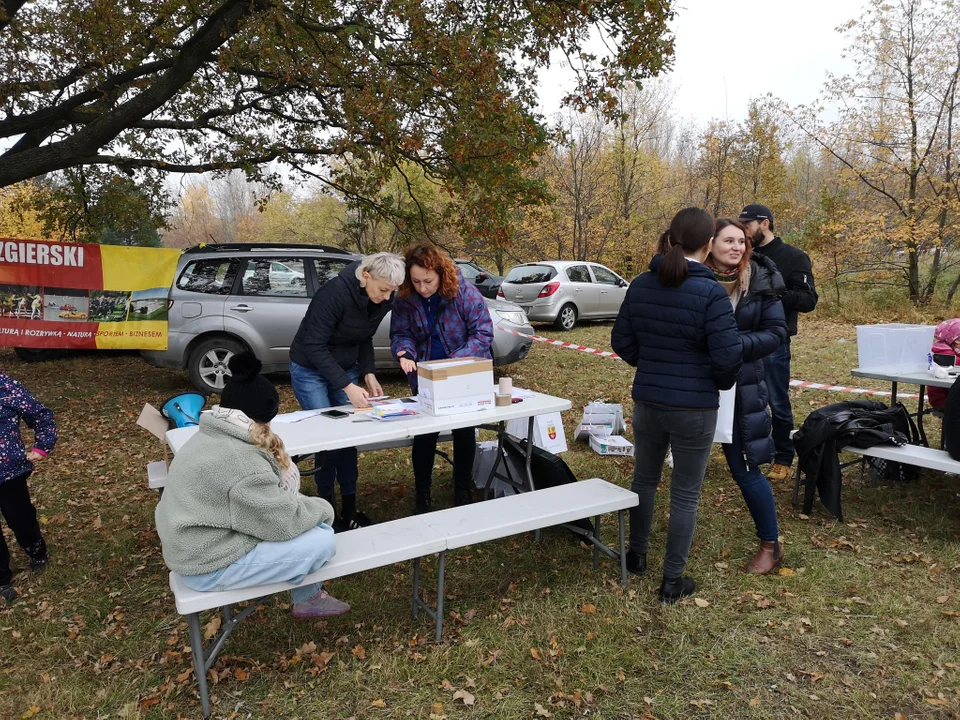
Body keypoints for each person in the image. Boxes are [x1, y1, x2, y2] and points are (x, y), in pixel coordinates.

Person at [611, 207, 742, 603]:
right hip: (694, 408)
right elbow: (727, 357)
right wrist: (712, 383)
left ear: (671, 238)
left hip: (649, 400)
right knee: (685, 493)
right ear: (708, 245)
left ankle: (636, 556)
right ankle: (672, 580)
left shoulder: (641, 284)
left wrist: (650, 364)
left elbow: (622, 341)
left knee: (645, 480)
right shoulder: (711, 293)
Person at [155, 352, 349, 618]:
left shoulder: (210, 434)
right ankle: (308, 598)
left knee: (299, 520)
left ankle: (308, 595)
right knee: (322, 539)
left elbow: (268, 510)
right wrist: (324, 510)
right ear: (266, 416)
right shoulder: (242, 461)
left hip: (193, 546)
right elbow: (283, 523)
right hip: (207, 565)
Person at [288, 252, 405, 529]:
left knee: (348, 436)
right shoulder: (333, 295)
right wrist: (347, 385)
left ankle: (350, 509)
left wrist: (368, 372)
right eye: (383, 290)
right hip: (309, 368)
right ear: (366, 275)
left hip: (345, 367)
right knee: (327, 439)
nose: (387, 298)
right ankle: (327, 511)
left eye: (392, 292)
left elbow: (365, 337)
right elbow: (314, 346)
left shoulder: (380, 298)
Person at [705, 219, 788, 574]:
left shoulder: (760, 279)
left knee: (744, 467)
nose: (737, 247)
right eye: (729, 240)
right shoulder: (695, 277)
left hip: (741, 387)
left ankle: (770, 544)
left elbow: (776, 334)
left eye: (742, 241)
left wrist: (733, 346)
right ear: (710, 244)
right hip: (693, 384)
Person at [390, 241, 494, 513]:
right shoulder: (404, 298)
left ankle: (462, 488)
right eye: (416, 281)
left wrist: (453, 362)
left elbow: (483, 333)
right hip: (424, 376)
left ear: (441, 274)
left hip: (461, 374)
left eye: (428, 281)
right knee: (425, 435)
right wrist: (404, 353)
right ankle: (422, 494)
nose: (422, 288)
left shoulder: (464, 293)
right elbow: (401, 334)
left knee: (464, 430)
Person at [738, 204, 818, 482]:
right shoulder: (741, 254)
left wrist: (774, 293)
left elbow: (809, 300)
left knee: (776, 400)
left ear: (765, 224)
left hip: (774, 341)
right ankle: (745, 453)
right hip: (741, 338)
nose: (743, 230)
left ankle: (783, 457)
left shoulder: (794, 257)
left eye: (747, 225)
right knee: (742, 400)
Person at [0, 370, 56, 602]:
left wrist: (43, 445)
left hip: (9, 473)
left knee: (21, 518)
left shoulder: (5, 386)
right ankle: (2, 579)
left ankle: (36, 551)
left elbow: (41, 415)